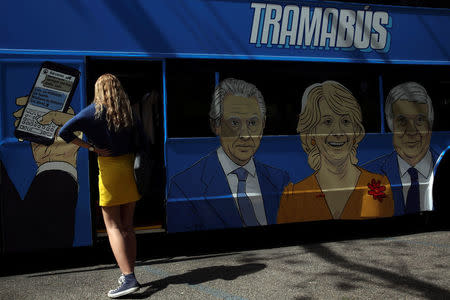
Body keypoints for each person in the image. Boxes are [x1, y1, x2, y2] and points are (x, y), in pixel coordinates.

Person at [167, 78, 289, 232]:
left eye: (252, 123)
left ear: (263, 124)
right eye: (234, 123)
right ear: (215, 125)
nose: (245, 135)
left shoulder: (280, 179)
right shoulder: (184, 187)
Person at [59, 74, 141, 298]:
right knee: (127, 227)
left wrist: (91, 148)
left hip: (109, 172)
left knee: (113, 227)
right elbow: (141, 140)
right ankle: (129, 273)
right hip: (128, 169)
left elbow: (63, 132)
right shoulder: (129, 113)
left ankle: (129, 278)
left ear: (99, 90)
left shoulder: (92, 112)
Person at [277, 81, 394, 223]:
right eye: (327, 122)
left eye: (345, 121)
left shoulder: (379, 185)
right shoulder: (292, 196)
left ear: (355, 131)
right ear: (311, 133)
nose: (338, 132)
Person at [363, 82, 439, 215]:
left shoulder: (440, 163)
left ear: (430, 125)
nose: (411, 131)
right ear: (391, 125)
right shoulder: (367, 173)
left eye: (420, 119)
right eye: (402, 121)